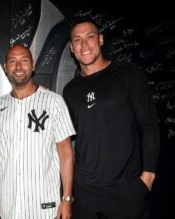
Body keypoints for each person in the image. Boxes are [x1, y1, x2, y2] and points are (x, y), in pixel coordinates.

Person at [63, 16, 160, 219]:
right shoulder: (70, 90)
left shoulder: (129, 74)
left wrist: (148, 177)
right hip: (85, 192)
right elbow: (67, 138)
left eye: (90, 36)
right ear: (72, 48)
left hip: (126, 190)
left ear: (100, 39)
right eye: (77, 40)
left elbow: (149, 125)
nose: (84, 44)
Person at [0, 44, 76, 219]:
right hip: (9, 206)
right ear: (5, 67)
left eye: (24, 60)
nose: (18, 67)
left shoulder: (54, 102)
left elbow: (65, 152)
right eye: (12, 61)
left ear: (33, 65)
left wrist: (67, 198)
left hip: (45, 207)